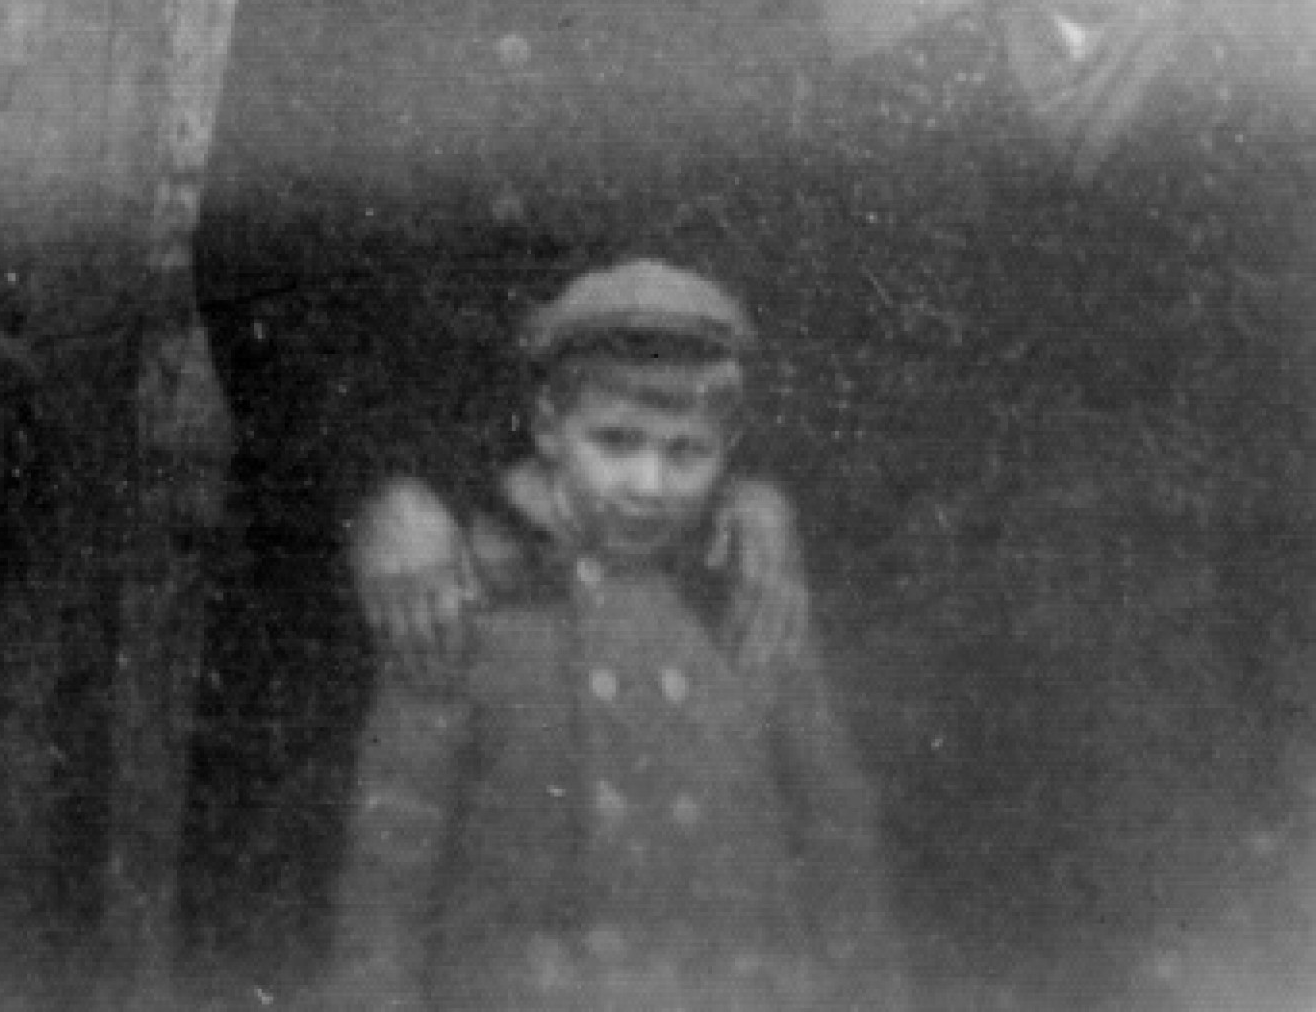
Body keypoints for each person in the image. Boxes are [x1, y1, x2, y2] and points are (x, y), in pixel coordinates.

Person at [182, 0, 825, 992]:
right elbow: (253, 244)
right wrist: (375, 485)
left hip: (635, 532)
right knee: (327, 929)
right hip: (375, 541)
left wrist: (748, 476)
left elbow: (788, 252)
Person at [818, 0, 1316, 1012]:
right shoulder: (895, 107)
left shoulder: (1292, 80)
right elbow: (850, 411)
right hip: (969, 696)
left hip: (1231, 689)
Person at [323, 259, 903, 1012]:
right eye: (616, 442)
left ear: (728, 449)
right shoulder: (470, 599)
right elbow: (392, 866)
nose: (648, 486)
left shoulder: (748, 594)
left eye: (685, 452)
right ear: (547, 429)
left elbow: (837, 840)